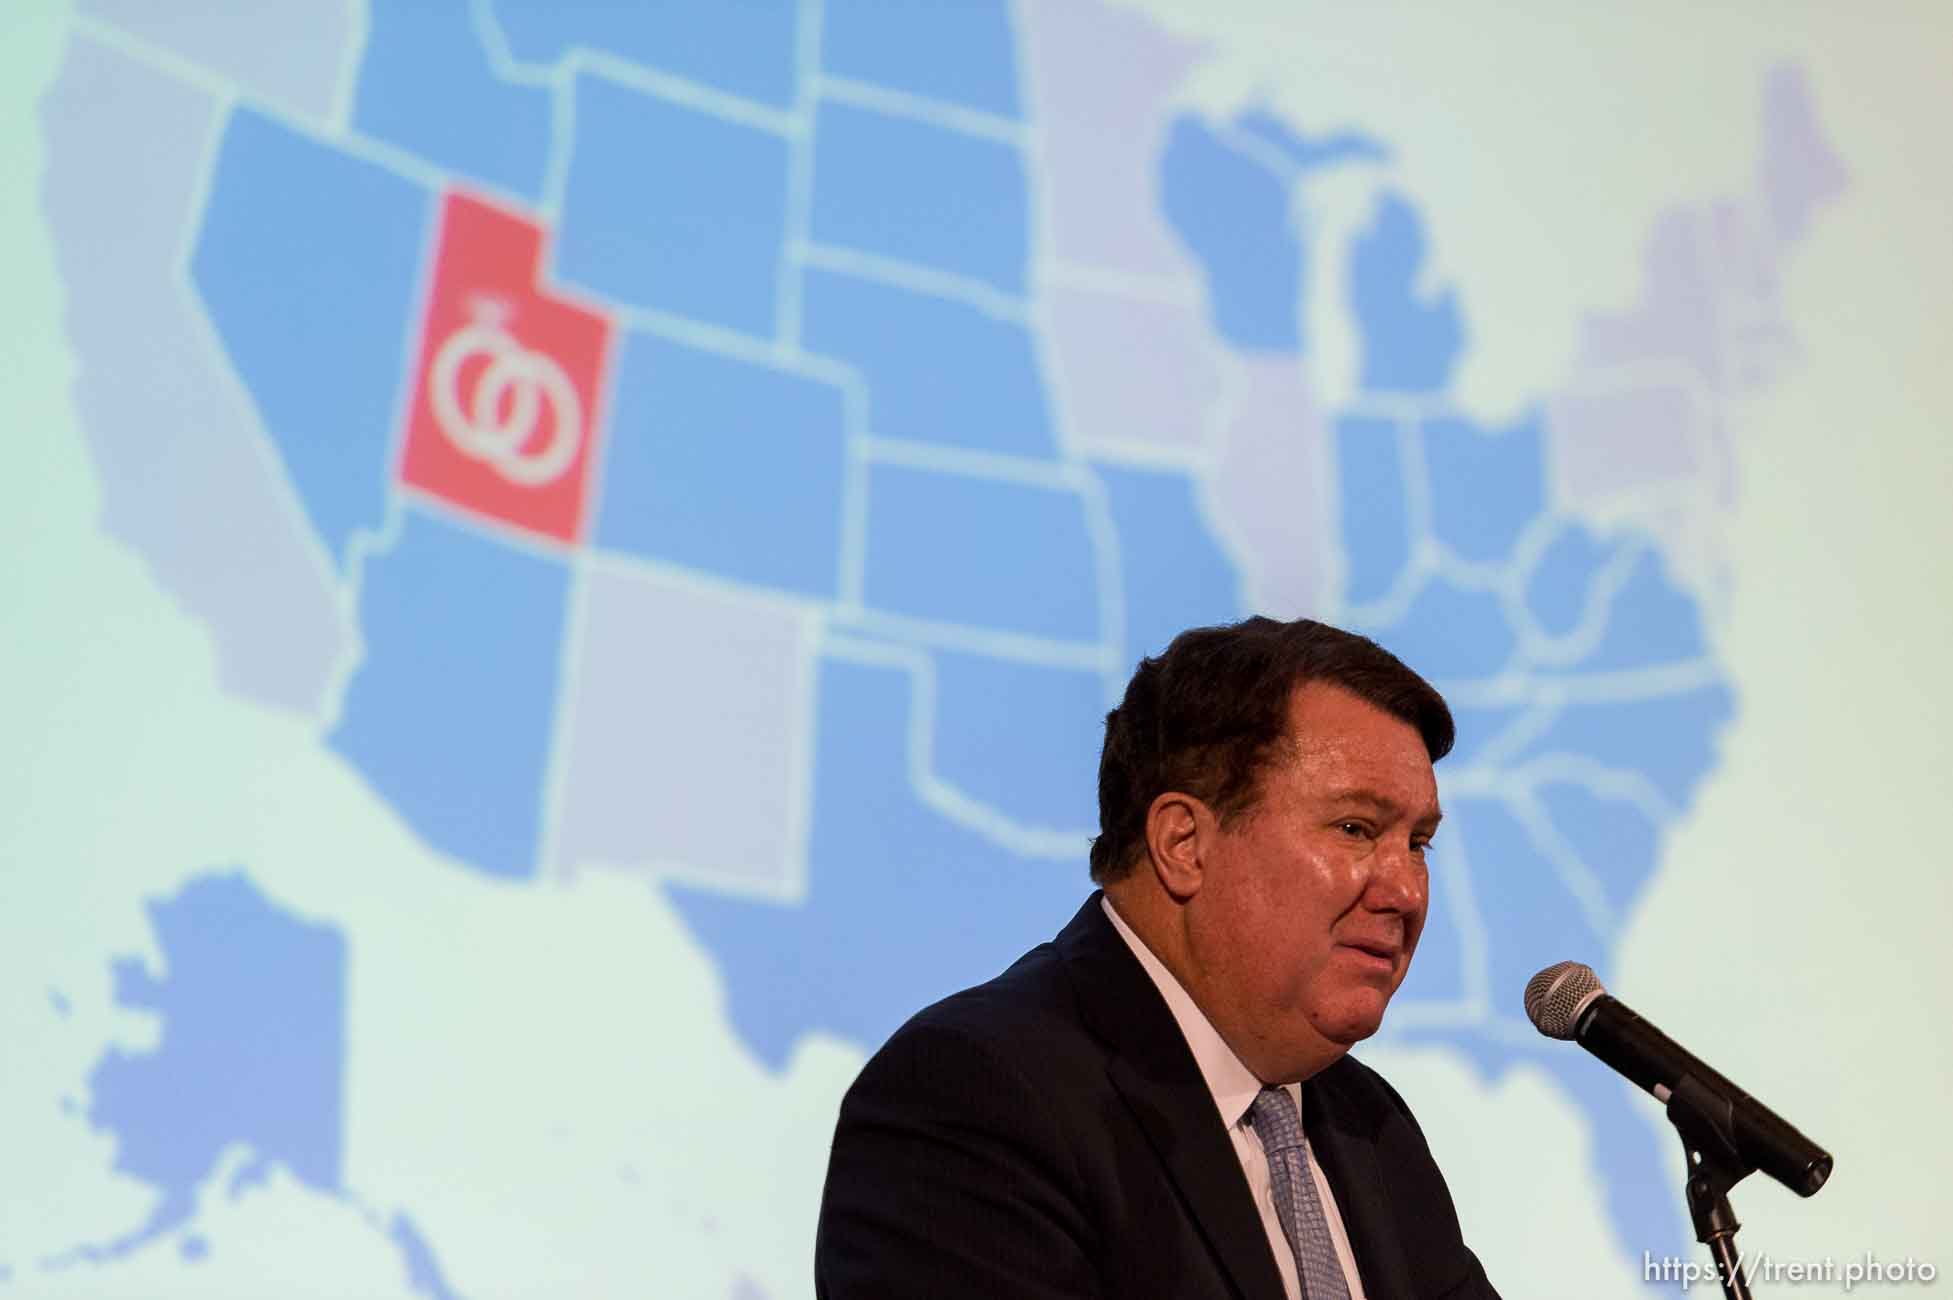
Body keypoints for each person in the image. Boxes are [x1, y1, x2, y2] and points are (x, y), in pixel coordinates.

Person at [814, 617, 1501, 1299]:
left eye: (1418, 843)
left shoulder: (1368, 1124)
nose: (1407, 890)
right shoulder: (975, 1094)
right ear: (1183, 844)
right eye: (1354, 829)